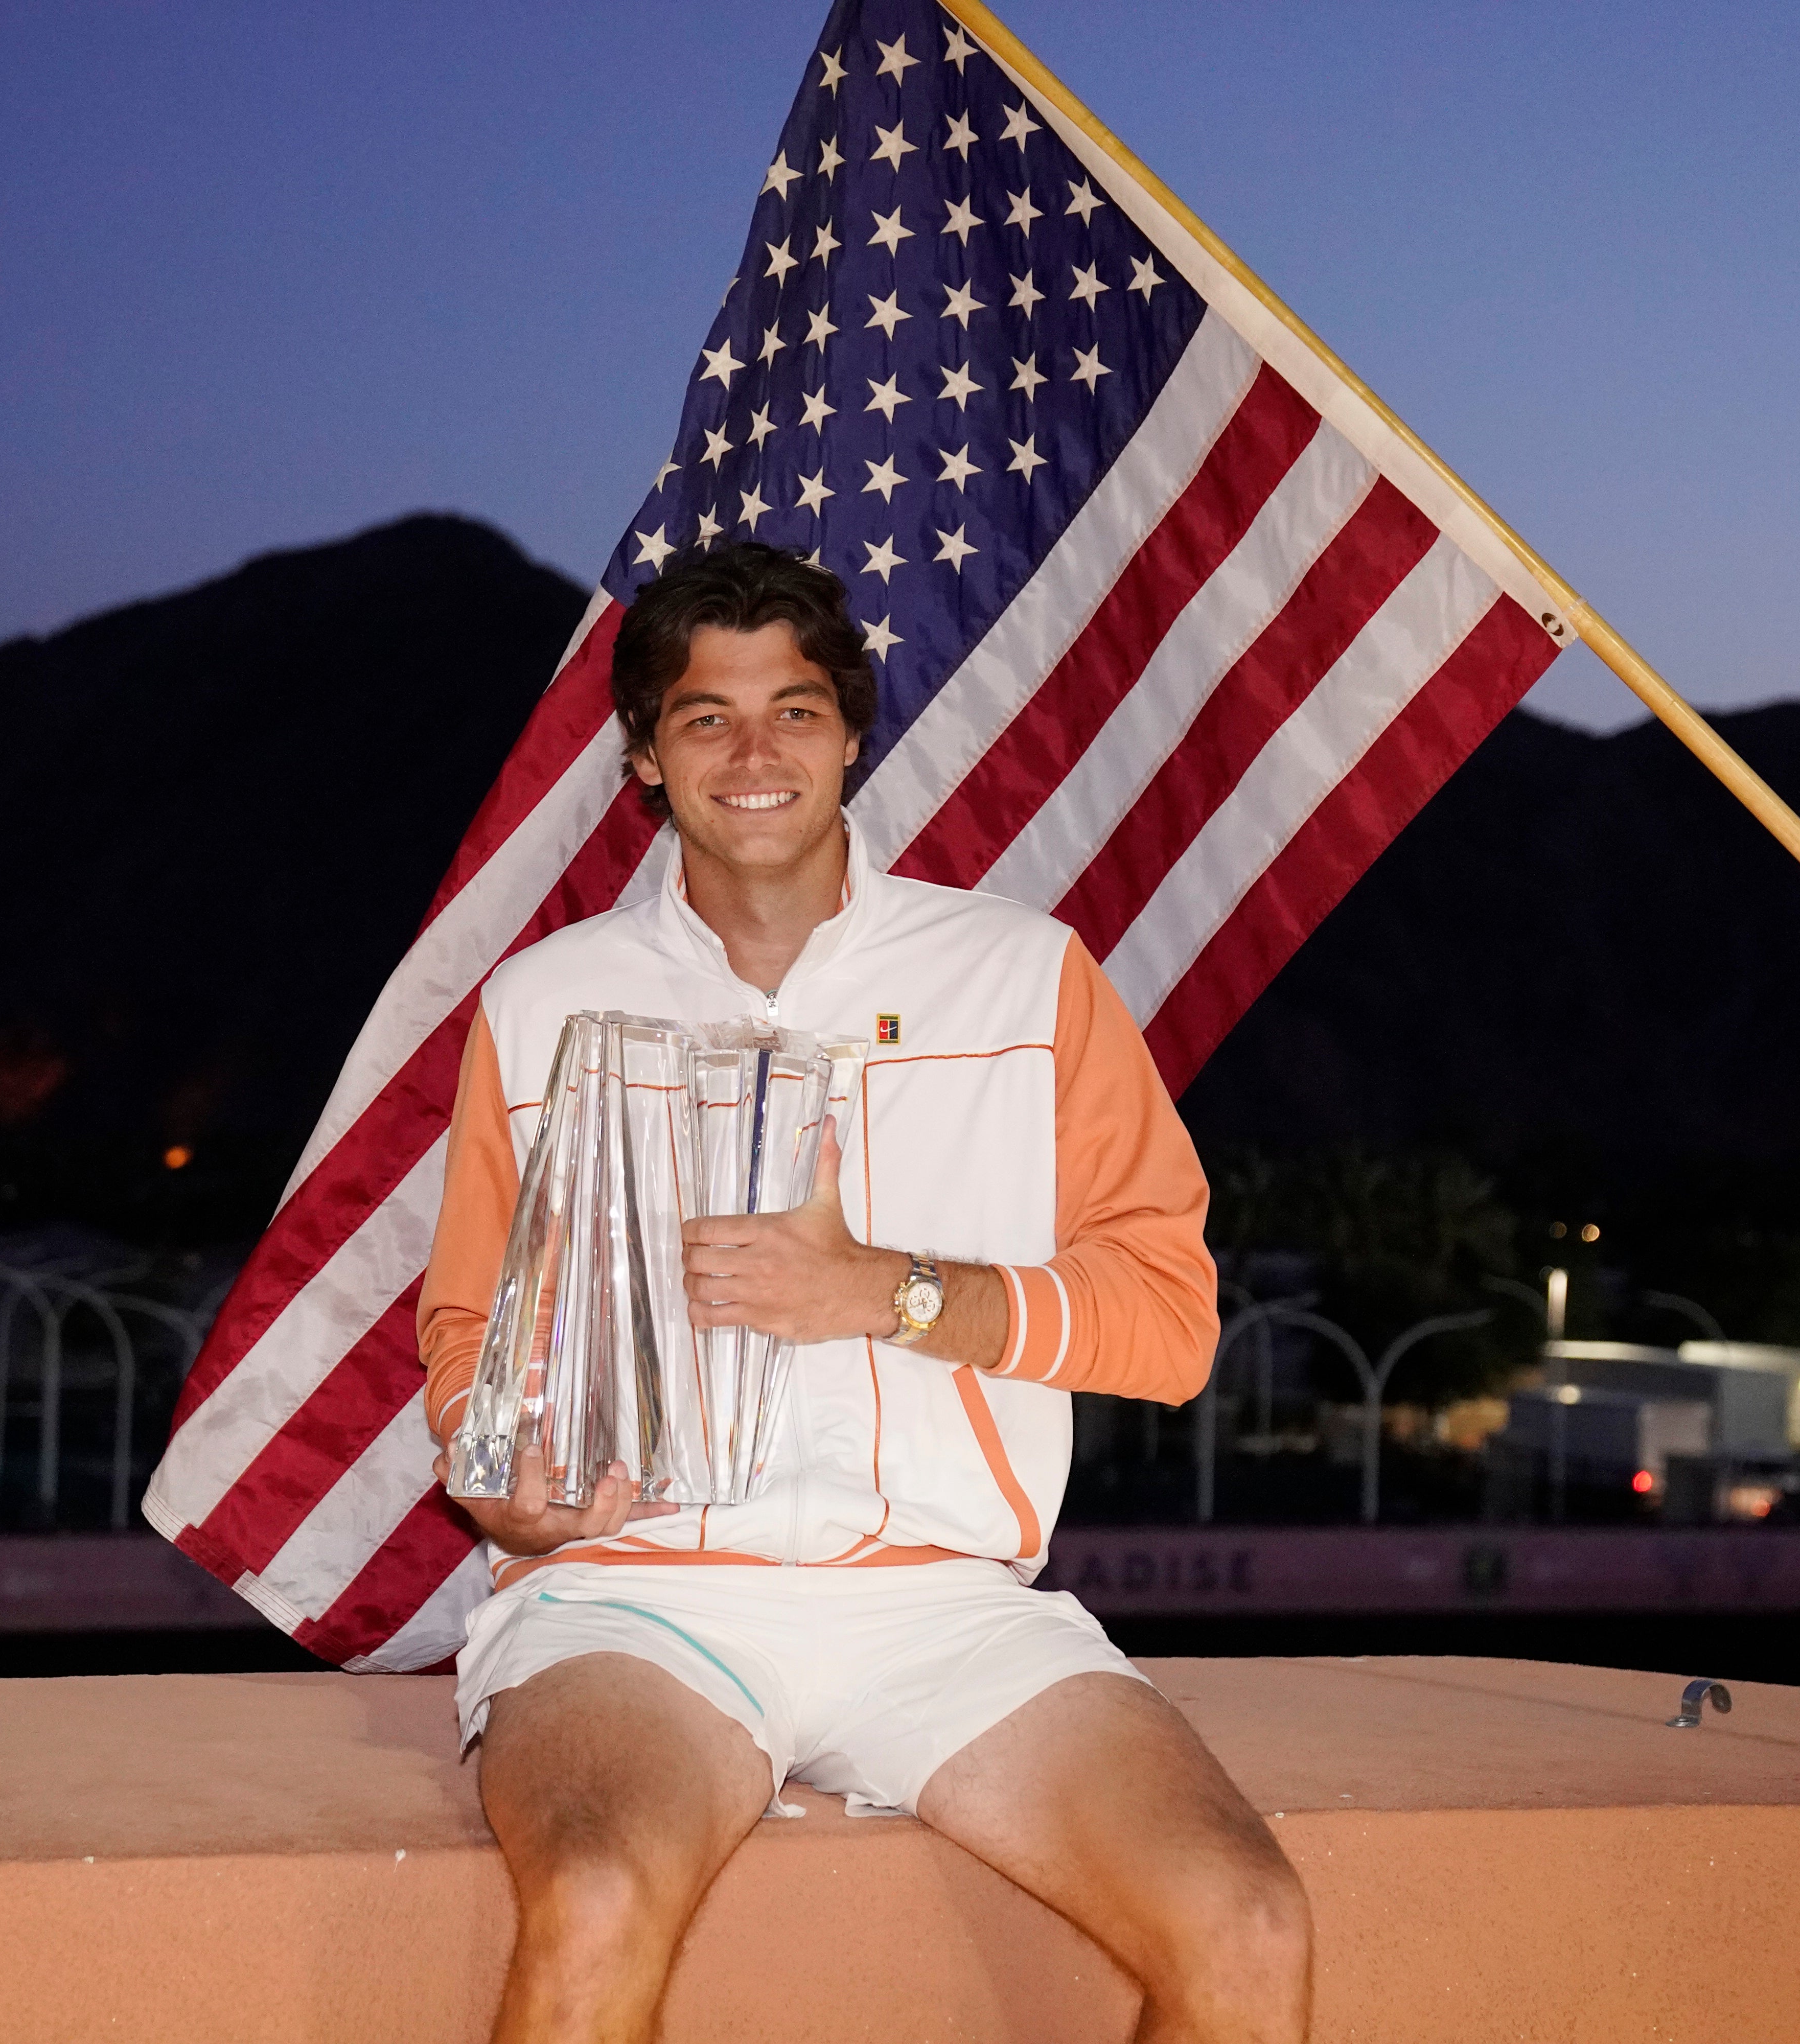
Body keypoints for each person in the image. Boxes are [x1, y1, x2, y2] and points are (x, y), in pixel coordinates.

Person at [420, 542, 1312, 2043]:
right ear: (644, 755)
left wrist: (889, 1294)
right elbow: (466, 1337)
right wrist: (504, 1489)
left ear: (850, 734)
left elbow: (1170, 1323)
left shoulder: (1025, 979)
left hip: (945, 1605)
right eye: (706, 717)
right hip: (638, 1602)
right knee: (591, 1897)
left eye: (798, 710)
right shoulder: (539, 1004)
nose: (756, 753)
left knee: (1246, 1917)